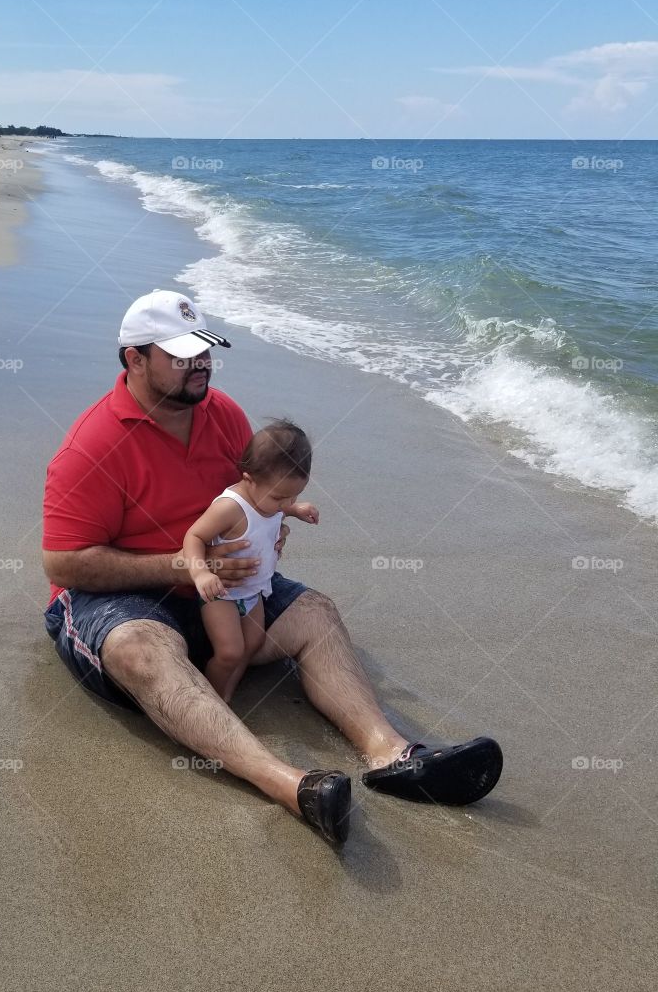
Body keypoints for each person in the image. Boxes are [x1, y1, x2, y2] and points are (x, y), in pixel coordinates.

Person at [42, 289, 503, 848]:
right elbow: (64, 563)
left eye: (205, 351)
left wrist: (268, 528)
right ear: (135, 359)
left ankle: (393, 753)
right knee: (141, 650)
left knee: (315, 612)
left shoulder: (225, 415)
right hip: (122, 599)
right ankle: (290, 783)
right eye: (182, 356)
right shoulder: (94, 444)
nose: (201, 364)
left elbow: (254, 494)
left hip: (225, 587)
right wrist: (182, 567)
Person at [184, 420, 319, 704]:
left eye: (295, 495)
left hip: (254, 591)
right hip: (222, 593)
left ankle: (227, 695)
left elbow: (277, 509)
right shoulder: (230, 507)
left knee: (252, 644)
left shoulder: (270, 499)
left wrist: (295, 510)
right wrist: (200, 574)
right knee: (230, 651)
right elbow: (194, 536)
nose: (285, 502)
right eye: (281, 496)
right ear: (249, 479)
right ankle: (210, 702)